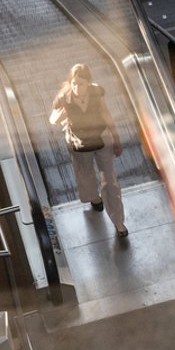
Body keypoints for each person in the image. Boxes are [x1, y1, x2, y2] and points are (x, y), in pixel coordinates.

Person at [49, 64, 129, 237]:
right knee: (85, 173)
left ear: (89, 82)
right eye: (74, 83)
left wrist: (116, 137)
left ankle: (118, 221)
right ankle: (94, 197)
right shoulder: (64, 98)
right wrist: (63, 113)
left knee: (109, 180)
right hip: (79, 143)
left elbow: (106, 113)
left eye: (81, 84)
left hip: (101, 138)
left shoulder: (96, 92)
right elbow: (53, 120)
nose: (77, 88)